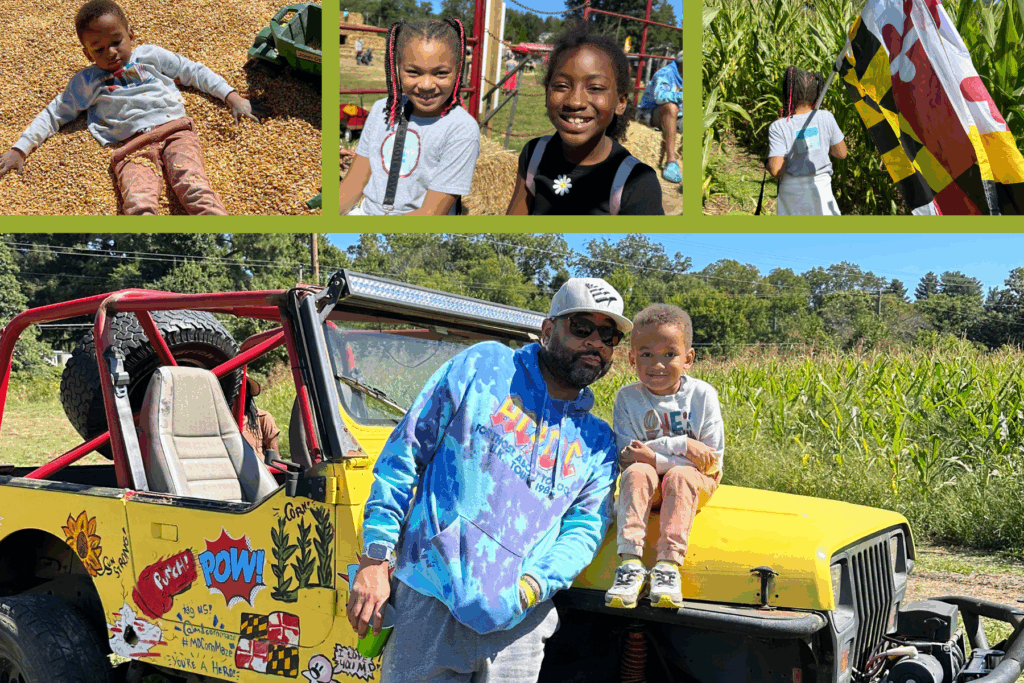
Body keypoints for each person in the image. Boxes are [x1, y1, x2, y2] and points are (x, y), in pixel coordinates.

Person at [347, 277, 630, 683]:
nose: (596, 343)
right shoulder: (484, 367)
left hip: (520, 628)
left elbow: (584, 530)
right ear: (549, 330)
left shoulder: (599, 442)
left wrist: (530, 589)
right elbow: (405, 453)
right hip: (430, 598)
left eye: (609, 335)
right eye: (582, 328)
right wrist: (374, 559)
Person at [0, 0, 257, 215]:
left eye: (116, 41)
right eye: (99, 49)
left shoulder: (150, 56)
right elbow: (55, 113)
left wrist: (231, 96)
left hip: (176, 131)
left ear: (130, 34)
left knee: (193, 185)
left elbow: (192, 71)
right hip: (131, 147)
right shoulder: (87, 81)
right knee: (138, 202)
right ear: (88, 54)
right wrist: (20, 149)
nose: (111, 53)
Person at [604, 304, 724, 610]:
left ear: (689, 358)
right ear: (632, 359)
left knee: (681, 476)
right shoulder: (628, 398)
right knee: (635, 474)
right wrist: (684, 446)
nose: (657, 364)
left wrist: (658, 455)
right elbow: (629, 456)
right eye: (646, 355)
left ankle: (668, 566)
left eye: (669, 354)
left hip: (693, 486)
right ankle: (630, 563)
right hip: (647, 484)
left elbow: (711, 463)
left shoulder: (702, 395)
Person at [506, 22, 663, 215]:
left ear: (620, 102)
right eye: (562, 85)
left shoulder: (637, 183)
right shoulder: (534, 155)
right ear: (547, 93)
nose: (575, 101)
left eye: (595, 88)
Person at [339, 19, 479, 216]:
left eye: (441, 73)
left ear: (458, 71)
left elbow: (430, 213)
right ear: (397, 68)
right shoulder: (382, 111)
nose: (427, 84)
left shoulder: (461, 128)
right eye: (413, 72)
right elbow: (353, 184)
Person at [767, 66, 848, 215]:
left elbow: (776, 170)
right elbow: (841, 153)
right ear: (815, 93)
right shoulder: (826, 117)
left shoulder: (779, 126)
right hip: (822, 191)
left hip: (792, 195)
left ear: (787, 92)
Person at [637, 50, 682, 184]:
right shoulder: (665, 73)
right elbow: (660, 96)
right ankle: (671, 161)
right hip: (650, 113)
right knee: (670, 107)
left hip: (676, 116)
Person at [240, 377, 280, 461]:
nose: (235, 392)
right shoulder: (218, 421)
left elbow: (275, 461)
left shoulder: (263, 418)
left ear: (247, 391)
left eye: (239, 386)